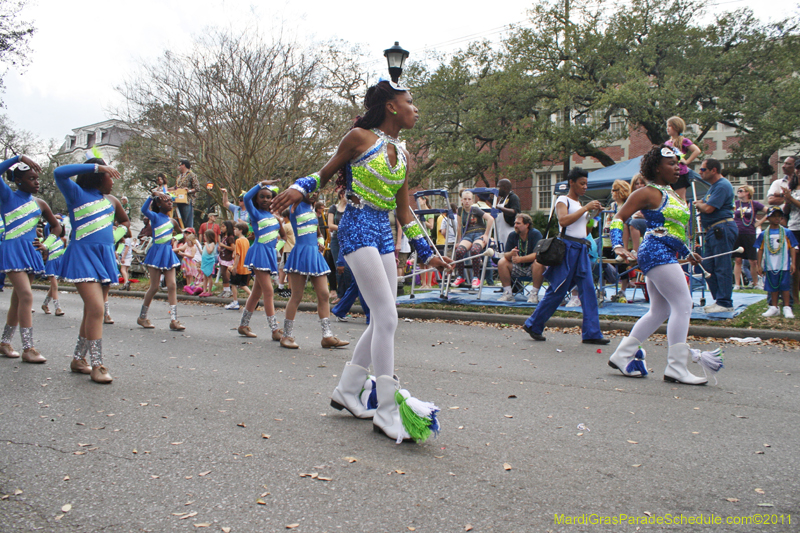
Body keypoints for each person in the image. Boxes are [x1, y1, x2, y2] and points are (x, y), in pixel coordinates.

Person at [272, 79, 450, 443]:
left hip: (384, 231)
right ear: (391, 106)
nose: (416, 108)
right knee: (385, 316)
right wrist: (299, 188)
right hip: (356, 226)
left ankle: (348, 391)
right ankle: (386, 410)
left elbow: (404, 210)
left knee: (386, 318)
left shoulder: (402, 152)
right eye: (410, 101)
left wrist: (426, 251)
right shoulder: (358, 137)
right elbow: (323, 174)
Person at [608, 145, 712, 385]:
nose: (678, 167)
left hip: (664, 252)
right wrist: (618, 246)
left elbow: (672, 231)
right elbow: (618, 218)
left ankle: (622, 355)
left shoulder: (672, 193)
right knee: (684, 304)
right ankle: (676, 367)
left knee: (660, 311)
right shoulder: (647, 192)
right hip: (655, 252)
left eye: (678, 162)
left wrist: (687, 253)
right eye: (671, 163)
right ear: (657, 167)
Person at [55, 158, 129, 383]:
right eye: (109, 176)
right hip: (82, 256)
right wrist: (97, 166)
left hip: (104, 257)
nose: (113, 181)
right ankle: (98, 365)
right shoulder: (76, 194)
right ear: (98, 176)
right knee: (97, 308)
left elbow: (125, 224)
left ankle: (79, 359)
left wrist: (112, 239)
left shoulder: (113, 201)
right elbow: (59, 172)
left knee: (91, 310)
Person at [521, 167, 609, 345]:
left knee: (589, 291)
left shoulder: (580, 204)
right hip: (568, 249)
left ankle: (592, 333)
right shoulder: (563, 199)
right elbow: (563, 221)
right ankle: (533, 324)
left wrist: (593, 215)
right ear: (572, 183)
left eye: (586, 184)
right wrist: (585, 208)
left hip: (581, 249)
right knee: (558, 290)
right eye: (582, 183)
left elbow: (586, 230)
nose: (585, 187)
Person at [0, 155, 62, 363]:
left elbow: (57, 227)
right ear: (18, 181)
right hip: (12, 249)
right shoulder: (7, 197)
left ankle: (5, 343)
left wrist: (47, 244)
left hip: (31, 252)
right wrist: (18, 158)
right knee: (26, 296)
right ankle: (28, 348)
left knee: (18, 299)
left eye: (37, 178)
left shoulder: (40, 203)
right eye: (31, 179)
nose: (37, 182)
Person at [279, 193, 347, 349]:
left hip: (314, 255)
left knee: (324, 294)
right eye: (310, 191)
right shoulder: (294, 207)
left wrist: (320, 242)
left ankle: (327, 336)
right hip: (300, 253)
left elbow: (318, 233)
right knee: (296, 295)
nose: (314, 194)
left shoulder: (312, 210)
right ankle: (286, 335)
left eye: (316, 191)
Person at [237, 181, 285, 340]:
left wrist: (275, 250)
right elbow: (246, 197)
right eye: (262, 197)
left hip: (269, 254)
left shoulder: (274, 216)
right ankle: (274, 329)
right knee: (269, 291)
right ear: (257, 199)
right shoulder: (255, 214)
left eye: (268, 197)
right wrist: (260, 184)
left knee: (257, 293)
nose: (265, 199)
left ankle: (243, 326)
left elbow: (283, 237)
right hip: (258, 253)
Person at [695, 158, 738, 313]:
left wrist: (698, 204)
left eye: (703, 169)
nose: (700, 172)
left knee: (722, 265)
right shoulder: (713, 187)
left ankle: (725, 302)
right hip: (713, 230)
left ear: (714, 170)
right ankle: (719, 299)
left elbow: (708, 208)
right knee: (707, 266)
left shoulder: (722, 185)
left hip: (722, 227)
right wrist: (701, 204)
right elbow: (704, 203)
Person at [138, 191, 185, 331]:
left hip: (168, 253)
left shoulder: (173, 221)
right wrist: (152, 196)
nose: (170, 203)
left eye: (171, 201)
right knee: (154, 287)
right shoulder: (155, 217)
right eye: (166, 201)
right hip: (156, 252)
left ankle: (174, 320)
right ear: (159, 204)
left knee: (172, 285)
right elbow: (143, 210)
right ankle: (142, 317)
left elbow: (182, 233)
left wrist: (175, 239)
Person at [756, 207, 797, 318]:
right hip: (770, 264)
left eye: (779, 216)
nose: (777, 218)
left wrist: (793, 262)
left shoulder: (787, 232)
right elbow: (760, 249)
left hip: (784, 264)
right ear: (768, 218)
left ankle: (787, 307)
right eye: (774, 216)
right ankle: (774, 307)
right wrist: (759, 265)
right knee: (772, 286)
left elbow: (793, 247)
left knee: (785, 286)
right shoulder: (764, 234)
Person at [452, 192, 494, 289]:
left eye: (469, 199)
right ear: (461, 200)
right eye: (465, 199)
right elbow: (459, 226)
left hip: (479, 233)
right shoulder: (460, 210)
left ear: (472, 200)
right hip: (467, 235)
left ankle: (476, 277)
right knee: (459, 251)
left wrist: (486, 234)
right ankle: (460, 276)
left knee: (475, 250)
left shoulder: (475, 209)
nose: (467, 201)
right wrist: (459, 241)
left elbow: (490, 219)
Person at [498, 213, 542, 302]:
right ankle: (508, 293)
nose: (515, 226)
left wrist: (520, 259)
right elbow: (506, 254)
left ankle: (534, 294)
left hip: (532, 268)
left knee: (539, 263)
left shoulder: (535, 234)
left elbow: (537, 254)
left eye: (518, 223)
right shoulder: (512, 235)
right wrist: (511, 254)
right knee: (502, 262)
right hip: (518, 267)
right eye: (515, 223)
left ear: (527, 225)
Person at [733, 185, 767, 290]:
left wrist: (759, 223)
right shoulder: (735, 204)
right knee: (738, 259)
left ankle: (756, 283)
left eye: (741, 190)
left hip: (750, 233)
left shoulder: (754, 204)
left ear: (748, 193)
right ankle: (737, 284)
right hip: (737, 233)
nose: (738, 192)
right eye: (738, 191)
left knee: (753, 260)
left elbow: (769, 211)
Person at [665, 116, 701, 201]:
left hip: (680, 173)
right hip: (669, 172)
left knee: (680, 198)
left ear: (676, 127)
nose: (668, 128)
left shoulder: (683, 140)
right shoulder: (667, 142)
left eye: (670, 126)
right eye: (667, 126)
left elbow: (696, 150)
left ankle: (685, 212)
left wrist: (687, 161)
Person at [41, 217, 67, 316]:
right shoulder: (49, 238)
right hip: (51, 264)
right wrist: (54, 217)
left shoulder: (63, 239)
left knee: (53, 287)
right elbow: (48, 225)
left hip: (59, 264)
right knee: (55, 287)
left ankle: (45, 304)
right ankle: (58, 308)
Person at [327, 188, 348, 297]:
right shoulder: (333, 208)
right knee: (338, 266)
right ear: (340, 195)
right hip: (336, 239)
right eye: (345, 193)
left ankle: (349, 294)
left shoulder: (351, 208)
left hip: (349, 239)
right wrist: (343, 228)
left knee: (348, 267)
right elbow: (330, 225)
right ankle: (340, 294)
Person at [226, 221, 252, 310]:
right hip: (245, 266)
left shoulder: (238, 240)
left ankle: (235, 301)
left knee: (233, 284)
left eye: (235, 229)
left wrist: (234, 267)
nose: (234, 231)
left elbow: (238, 254)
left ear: (240, 230)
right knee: (243, 285)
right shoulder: (246, 240)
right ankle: (252, 297)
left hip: (239, 266)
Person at [495, 179, 521, 247]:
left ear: (505, 187)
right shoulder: (501, 199)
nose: (497, 189)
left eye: (498, 187)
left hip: (508, 230)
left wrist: (500, 208)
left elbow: (515, 211)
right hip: (500, 230)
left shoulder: (513, 197)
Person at [175, 159, 200, 229]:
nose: (179, 167)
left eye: (180, 165)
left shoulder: (192, 175)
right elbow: (176, 187)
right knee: (179, 220)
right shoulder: (179, 176)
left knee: (187, 221)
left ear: (184, 165)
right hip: (178, 200)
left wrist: (188, 190)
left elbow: (197, 188)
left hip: (187, 201)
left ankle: (188, 235)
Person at [178, 228, 202, 295]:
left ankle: (190, 287)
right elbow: (182, 249)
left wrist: (183, 254)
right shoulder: (187, 245)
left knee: (190, 275)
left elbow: (192, 256)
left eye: (188, 233)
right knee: (187, 275)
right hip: (186, 262)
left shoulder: (194, 246)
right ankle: (187, 286)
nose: (186, 234)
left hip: (191, 262)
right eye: (186, 233)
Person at [218, 220, 235, 298]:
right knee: (222, 273)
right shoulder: (223, 236)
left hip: (227, 258)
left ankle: (229, 290)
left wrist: (223, 246)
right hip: (222, 256)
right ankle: (225, 289)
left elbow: (232, 248)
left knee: (225, 273)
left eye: (223, 226)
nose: (222, 228)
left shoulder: (230, 238)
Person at [199, 229, 217, 297]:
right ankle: (204, 290)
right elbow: (203, 252)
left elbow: (209, 251)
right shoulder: (206, 245)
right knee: (205, 277)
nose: (204, 238)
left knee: (209, 276)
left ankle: (209, 291)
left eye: (205, 236)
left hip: (210, 262)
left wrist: (206, 245)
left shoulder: (212, 244)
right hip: (205, 262)